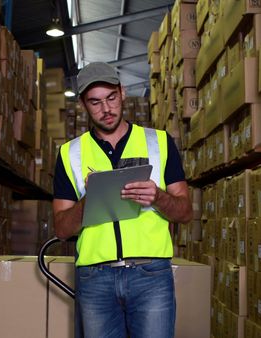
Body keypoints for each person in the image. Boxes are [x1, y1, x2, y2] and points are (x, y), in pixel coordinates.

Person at [52, 62, 193, 338]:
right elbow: (61, 228)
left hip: (151, 275)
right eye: (95, 102)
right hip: (95, 279)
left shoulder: (159, 142)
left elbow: (185, 211)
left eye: (111, 98)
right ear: (83, 105)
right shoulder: (70, 154)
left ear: (123, 92)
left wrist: (158, 197)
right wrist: (87, 202)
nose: (106, 109)